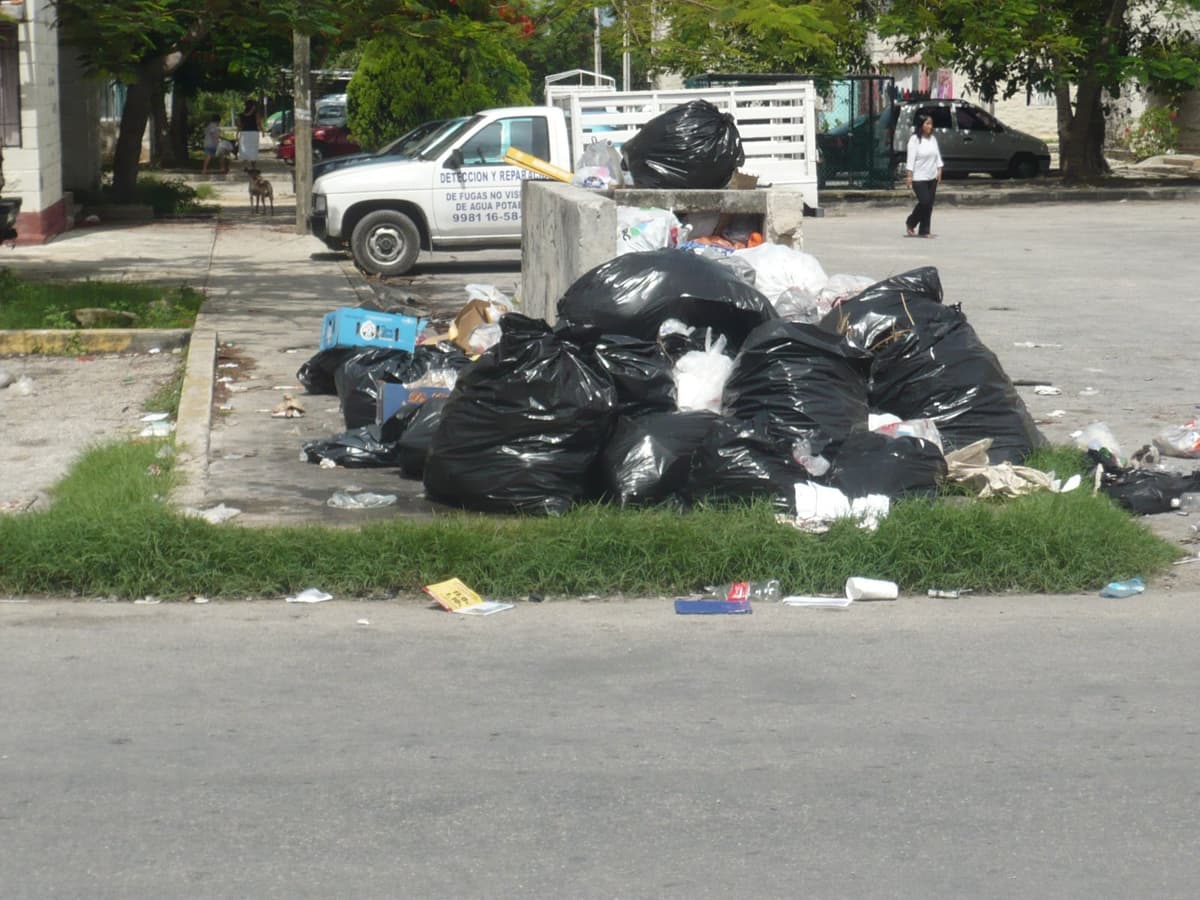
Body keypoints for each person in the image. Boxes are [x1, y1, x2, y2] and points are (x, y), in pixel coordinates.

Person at [904, 114, 943, 237]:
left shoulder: (933, 139)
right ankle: (911, 222)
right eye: (927, 123)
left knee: (929, 205)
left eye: (931, 123)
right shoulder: (914, 140)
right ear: (921, 125)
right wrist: (909, 176)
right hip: (919, 177)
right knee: (925, 202)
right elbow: (911, 159)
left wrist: (939, 170)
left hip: (932, 176)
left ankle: (925, 230)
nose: (930, 126)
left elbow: (937, 156)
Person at [236, 99, 264, 169]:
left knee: (245, 149)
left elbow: (239, 126)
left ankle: (245, 165)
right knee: (253, 149)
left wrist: (237, 134)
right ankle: (253, 166)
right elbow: (258, 123)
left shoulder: (241, 115)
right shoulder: (256, 114)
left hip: (244, 133)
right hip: (253, 133)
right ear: (253, 106)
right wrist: (263, 131)